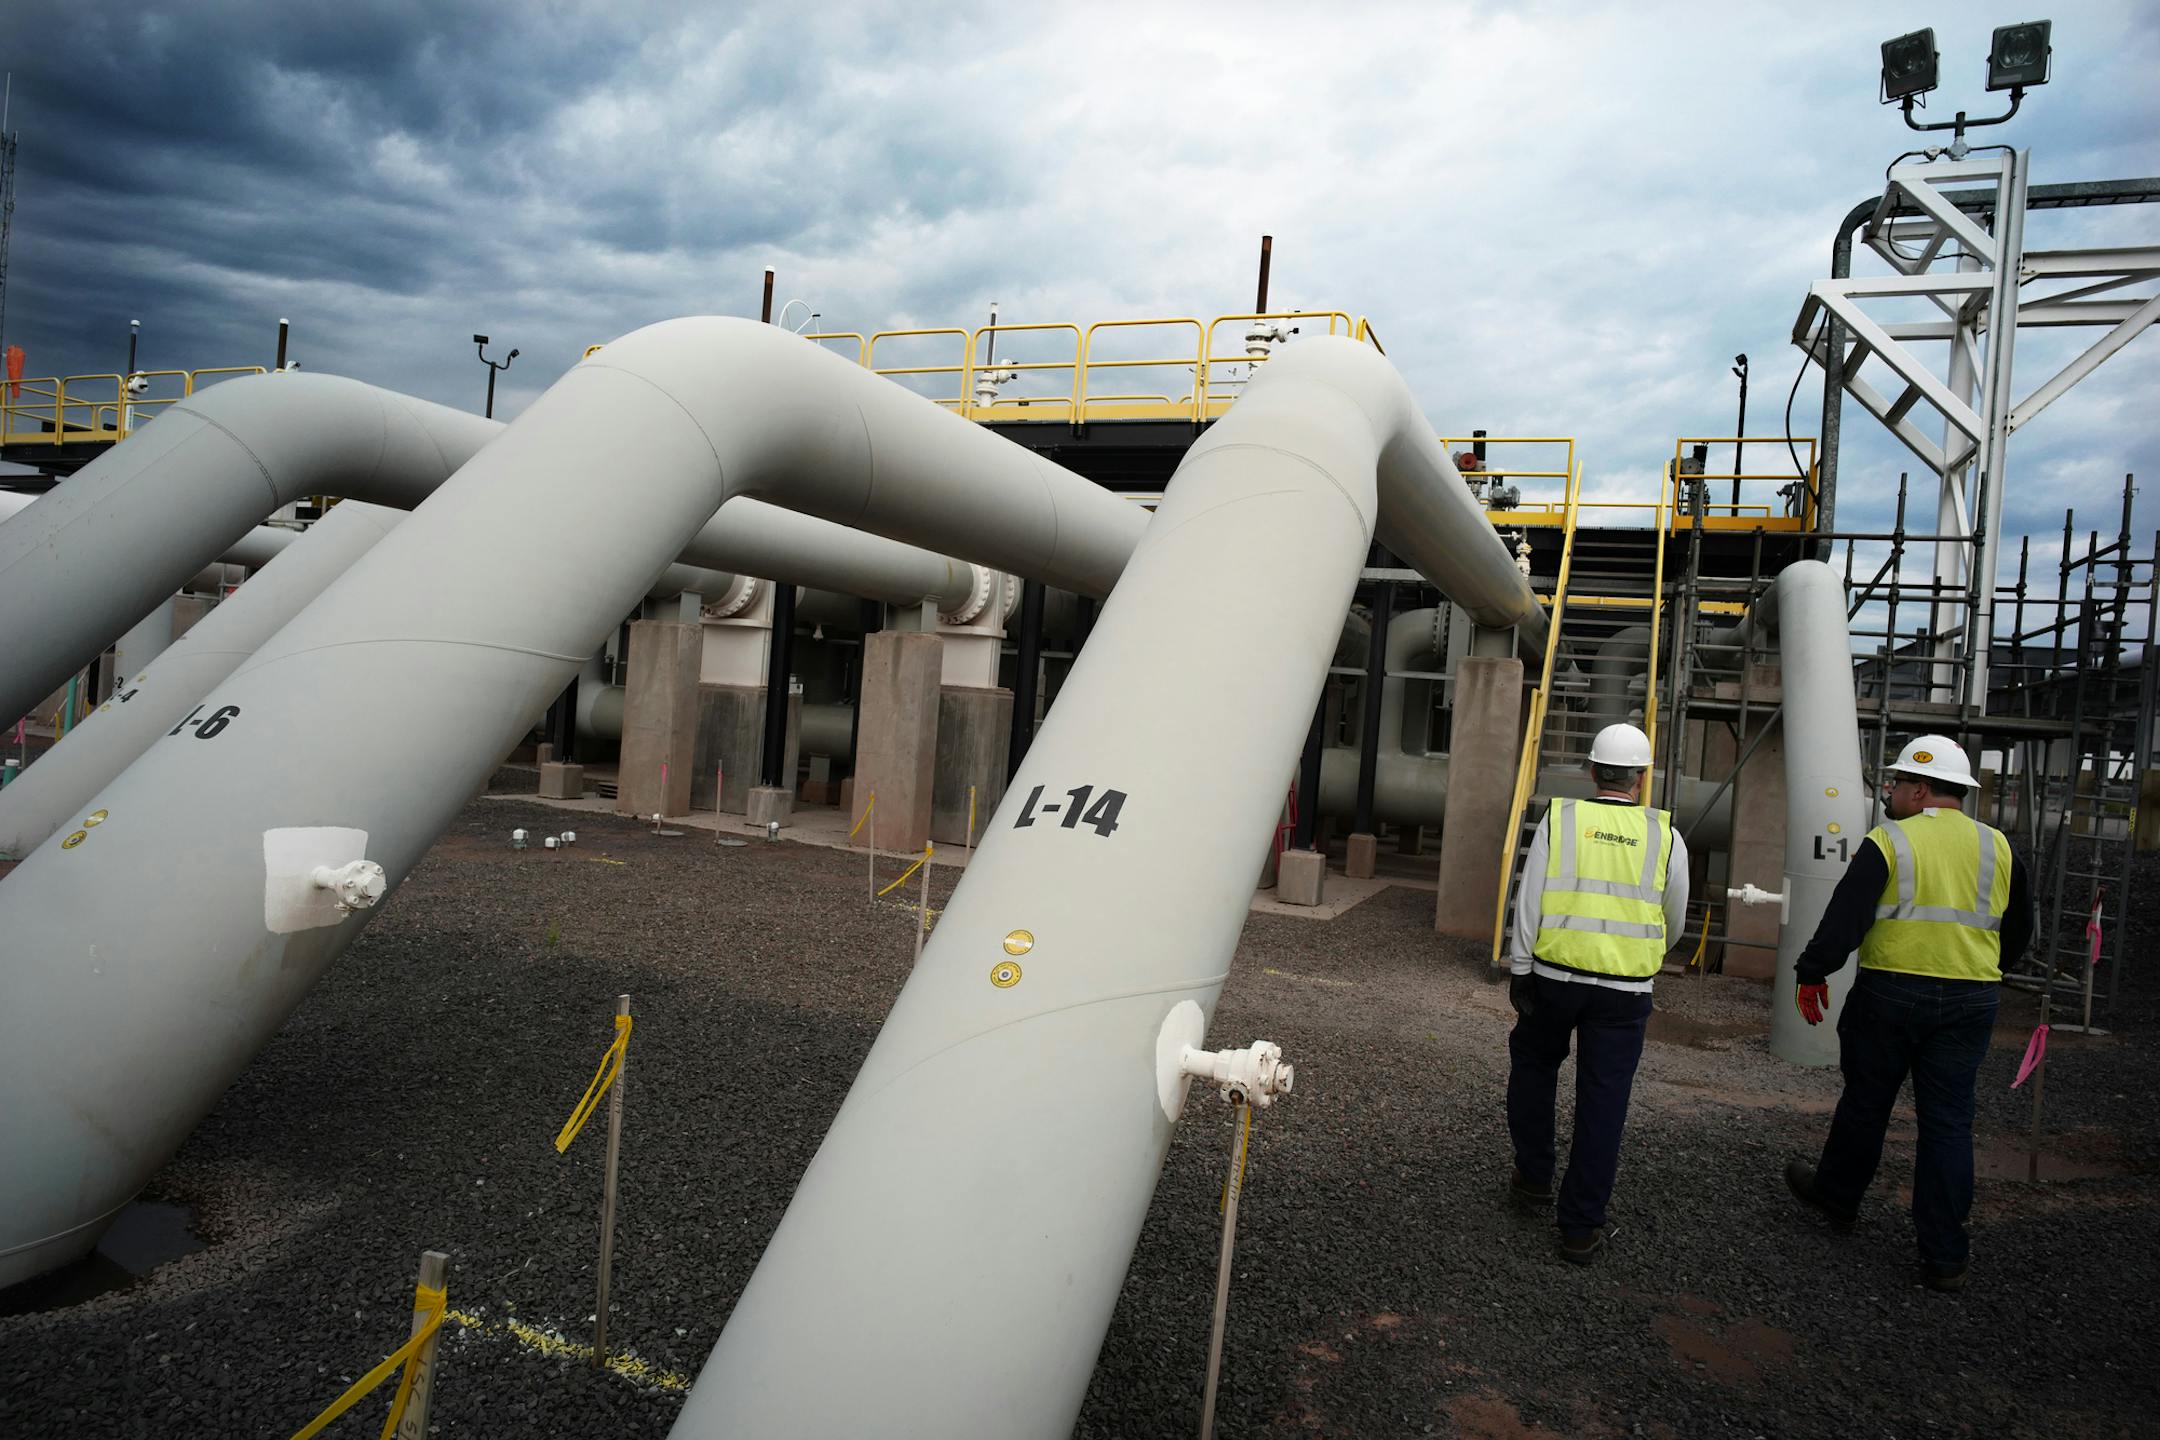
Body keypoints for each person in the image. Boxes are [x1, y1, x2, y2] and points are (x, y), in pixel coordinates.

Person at [1783, 734, 2032, 1293]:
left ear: (1920, 789)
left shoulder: (1888, 840)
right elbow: (2018, 933)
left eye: (1896, 783)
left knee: (1867, 1104)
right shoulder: (2000, 846)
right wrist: (1980, 970)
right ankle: (1944, 1255)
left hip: (1891, 994)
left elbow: (1845, 918)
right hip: (1972, 998)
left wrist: (1811, 971)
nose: (1890, 791)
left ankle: (1838, 1199)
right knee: (1948, 1123)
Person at [1505, 722, 1690, 1263]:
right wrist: (1643, 955)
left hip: (1554, 978)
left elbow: (1529, 898)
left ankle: (1534, 1176)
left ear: (1592, 770)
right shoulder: (1666, 834)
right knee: (1604, 1101)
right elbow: (1672, 918)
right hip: (1625, 991)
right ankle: (1580, 1228)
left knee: (1535, 1067)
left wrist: (1521, 968)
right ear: (1641, 777)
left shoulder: (1560, 820)